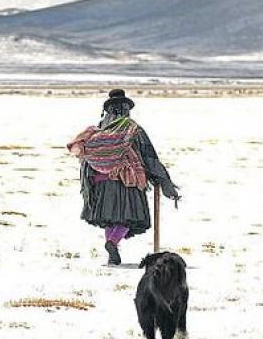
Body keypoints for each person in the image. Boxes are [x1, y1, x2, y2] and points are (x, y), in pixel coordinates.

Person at [67, 89, 180, 265]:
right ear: (126, 108)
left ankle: (112, 248)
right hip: (127, 180)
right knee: (129, 216)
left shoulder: (96, 132)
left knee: (109, 219)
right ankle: (112, 243)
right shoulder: (132, 129)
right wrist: (164, 181)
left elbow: (86, 163)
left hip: (100, 183)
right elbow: (149, 157)